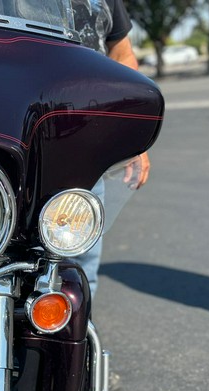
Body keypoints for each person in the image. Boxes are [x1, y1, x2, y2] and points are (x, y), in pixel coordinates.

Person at [71, 0, 151, 297]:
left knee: (79, 270)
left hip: (86, 151)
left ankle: (74, 338)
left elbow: (123, 57)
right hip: (7, 144)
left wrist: (134, 138)